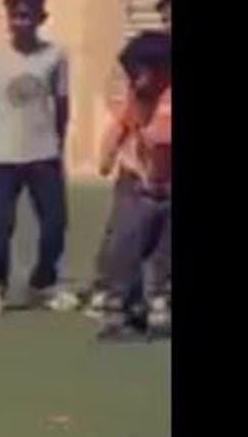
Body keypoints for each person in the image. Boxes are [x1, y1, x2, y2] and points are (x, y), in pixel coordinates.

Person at [0, 0, 77, 321]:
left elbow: (62, 104)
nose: (20, 22)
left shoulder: (55, 56)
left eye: (27, 16)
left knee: (55, 223)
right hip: (3, 158)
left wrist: (57, 145)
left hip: (43, 154)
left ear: (41, 17)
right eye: (14, 16)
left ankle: (42, 283)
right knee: (1, 228)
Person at [95, 32, 171, 341]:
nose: (136, 81)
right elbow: (122, 125)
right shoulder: (138, 95)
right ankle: (118, 307)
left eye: (140, 73)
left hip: (163, 186)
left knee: (161, 250)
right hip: (136, 182)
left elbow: (161, 143)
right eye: (132, 75)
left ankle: (156, 302)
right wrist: (108, 155)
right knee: (126, 245)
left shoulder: (166, 102)